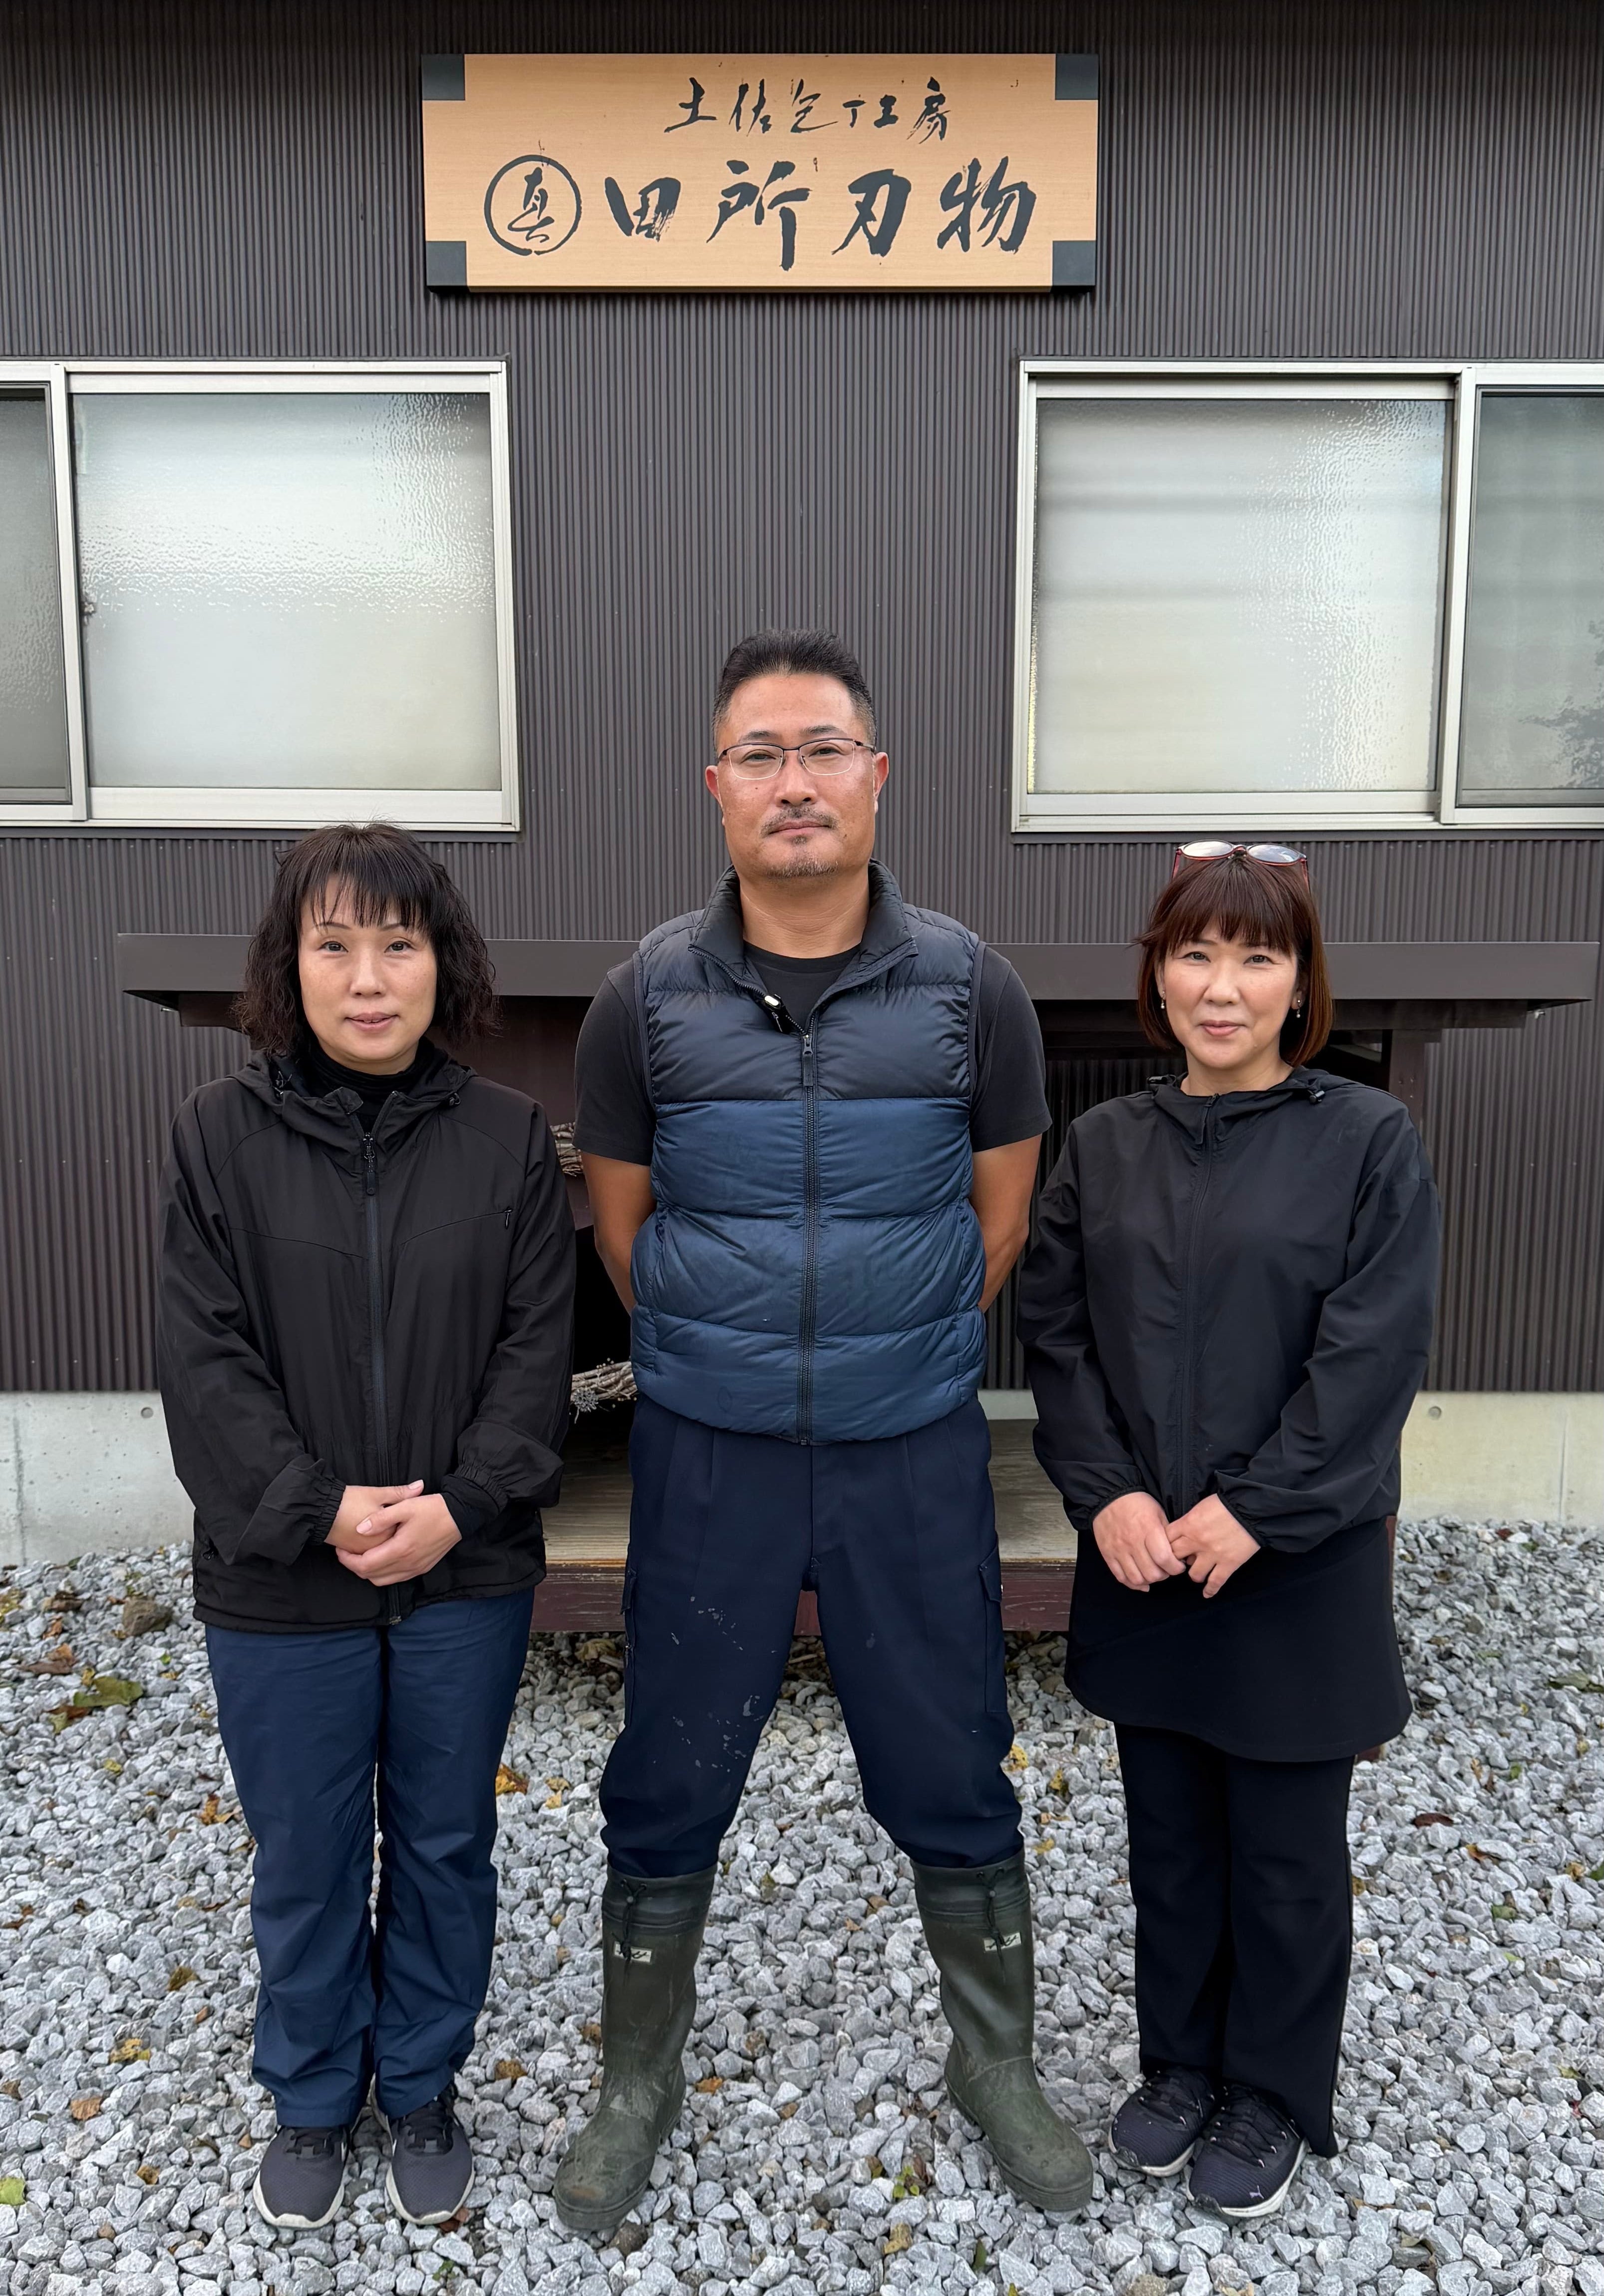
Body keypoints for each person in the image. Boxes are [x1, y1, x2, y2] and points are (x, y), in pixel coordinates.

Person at [558, 627, 1090, 2233]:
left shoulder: (969, 987)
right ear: (715, 788)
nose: (796, 783)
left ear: (878, 777)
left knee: (951, 1755)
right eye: (762, 755)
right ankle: (636, 2077)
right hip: (709, 1450)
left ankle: (994, 2066)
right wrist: (736, 1348)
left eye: (825, 750)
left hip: (906, 1446)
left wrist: (877, 1340)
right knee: (668, 1765)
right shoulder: (646, 995)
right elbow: (624, 1231)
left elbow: (1001, 1216)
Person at [155, 824, 574, 2233]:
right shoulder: (219, 1135)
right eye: (334, 943)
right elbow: (203, 1361)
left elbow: (540, 1357)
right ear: (291, 963)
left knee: (448, 1839)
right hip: (280, 1576)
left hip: (467, 1573)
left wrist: (458, 1507)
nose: (369, 975)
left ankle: (424, 2082)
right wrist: (319, 1505)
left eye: (399, 942)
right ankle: (314, 2095)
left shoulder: (511, 1140)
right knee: (308, 1848)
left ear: (442, 960)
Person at [1018, 844, 1440, 2220]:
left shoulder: (1366, 1143)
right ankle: (1180, 2065)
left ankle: (1272, 2092)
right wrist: (1114, 1498)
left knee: (1285, 1852)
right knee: (1173, 1843)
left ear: (1302, 982)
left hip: (1292, 1562)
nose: (1224, 984)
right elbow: (1059, 1339)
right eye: (1198, 953)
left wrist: (1253, 1509)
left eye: (1259, 957)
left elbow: (1368, 1357)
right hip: (1146, 1555)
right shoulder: (1106, 1145)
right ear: (1159, 973)